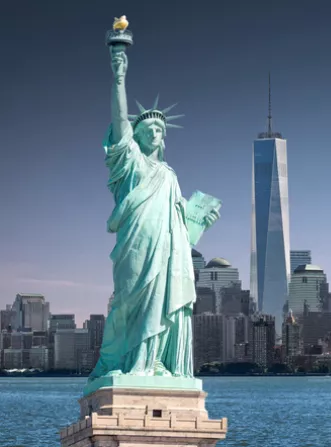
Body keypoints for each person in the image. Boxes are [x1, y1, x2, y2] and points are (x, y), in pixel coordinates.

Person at [88, 45, 219, 381]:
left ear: (163, 137)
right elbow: (120, 121)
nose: (154, 132)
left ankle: (153, 362)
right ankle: (122, 362)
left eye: (159, 129)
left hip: (166, 249)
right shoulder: (130, 162)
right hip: (134, 243)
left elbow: (180, 228)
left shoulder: (170, 175)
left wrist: (200, 221)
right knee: (126, 303)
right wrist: (119, 76)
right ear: (137, 136)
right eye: (146, 129)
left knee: (163, 302)